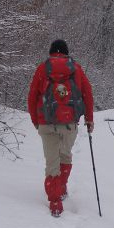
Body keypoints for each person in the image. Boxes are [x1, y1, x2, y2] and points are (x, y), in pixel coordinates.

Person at [28, 39, 94, 217]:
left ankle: (55, 201)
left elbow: (32, 95)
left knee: (51, 162)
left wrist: (35, 120)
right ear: (66, 52)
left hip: (46, 123)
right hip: (69, 123)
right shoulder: (76, 69)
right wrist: (89, 119)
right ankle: (62, 187)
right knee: (65, 155)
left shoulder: (43, 68)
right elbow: (87, 93)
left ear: (51, 52)